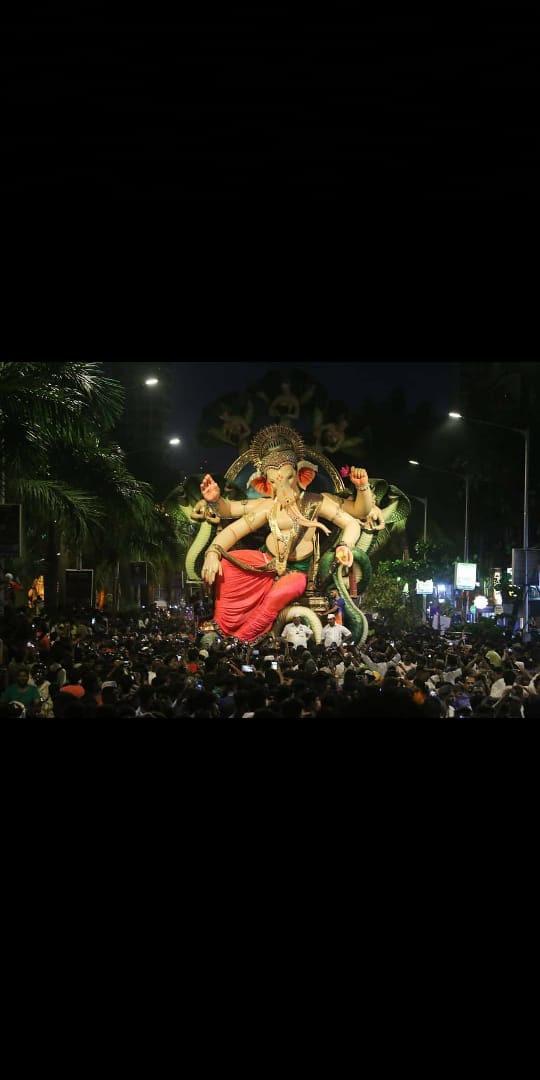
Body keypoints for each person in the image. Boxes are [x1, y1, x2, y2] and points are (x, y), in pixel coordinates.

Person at [199, 425, 366, 643]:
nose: (283, 486)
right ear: (266, 485)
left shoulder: (316, 502)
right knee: (226, 566)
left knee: (277, 595)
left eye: (288, 477)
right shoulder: (267, 506)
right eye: (274, 482)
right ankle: (222, 626)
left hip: (298, 571)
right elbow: (232, 527)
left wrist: (345, 545)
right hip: (266, 562)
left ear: (301, 475)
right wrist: (212, 552)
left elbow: (352, 522)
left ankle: (242, 639)